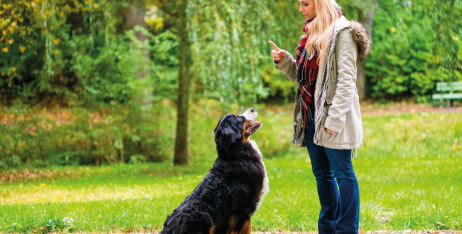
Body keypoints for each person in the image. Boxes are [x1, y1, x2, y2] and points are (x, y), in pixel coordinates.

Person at [269, 0, 371, 233]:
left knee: (343, 174)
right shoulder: (312, 33)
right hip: (311, 115)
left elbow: (346, 83)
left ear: (320, 3)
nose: (301, 9)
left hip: (333, 116)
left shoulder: (342, 33)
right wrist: (285, 61)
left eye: (305, 3)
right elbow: (305, 79)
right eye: (299, 4)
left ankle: (346, 229)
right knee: (322, 176)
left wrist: (333, 120)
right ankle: (327, 228)